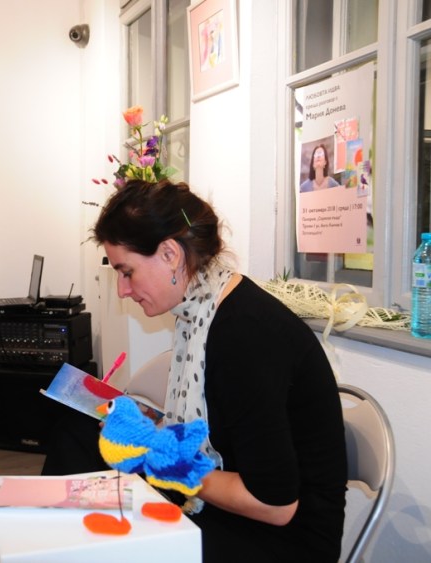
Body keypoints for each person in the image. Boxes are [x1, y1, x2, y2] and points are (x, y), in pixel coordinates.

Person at [46, 179, 347, 562]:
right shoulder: (203, 312)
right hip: (239, 502)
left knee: (115, 523)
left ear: (170, 254)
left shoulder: (243, 335)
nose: (122, 290)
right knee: (74, 432)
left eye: (127, 272)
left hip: (281, 538)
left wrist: (157, 455)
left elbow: (275, 505)